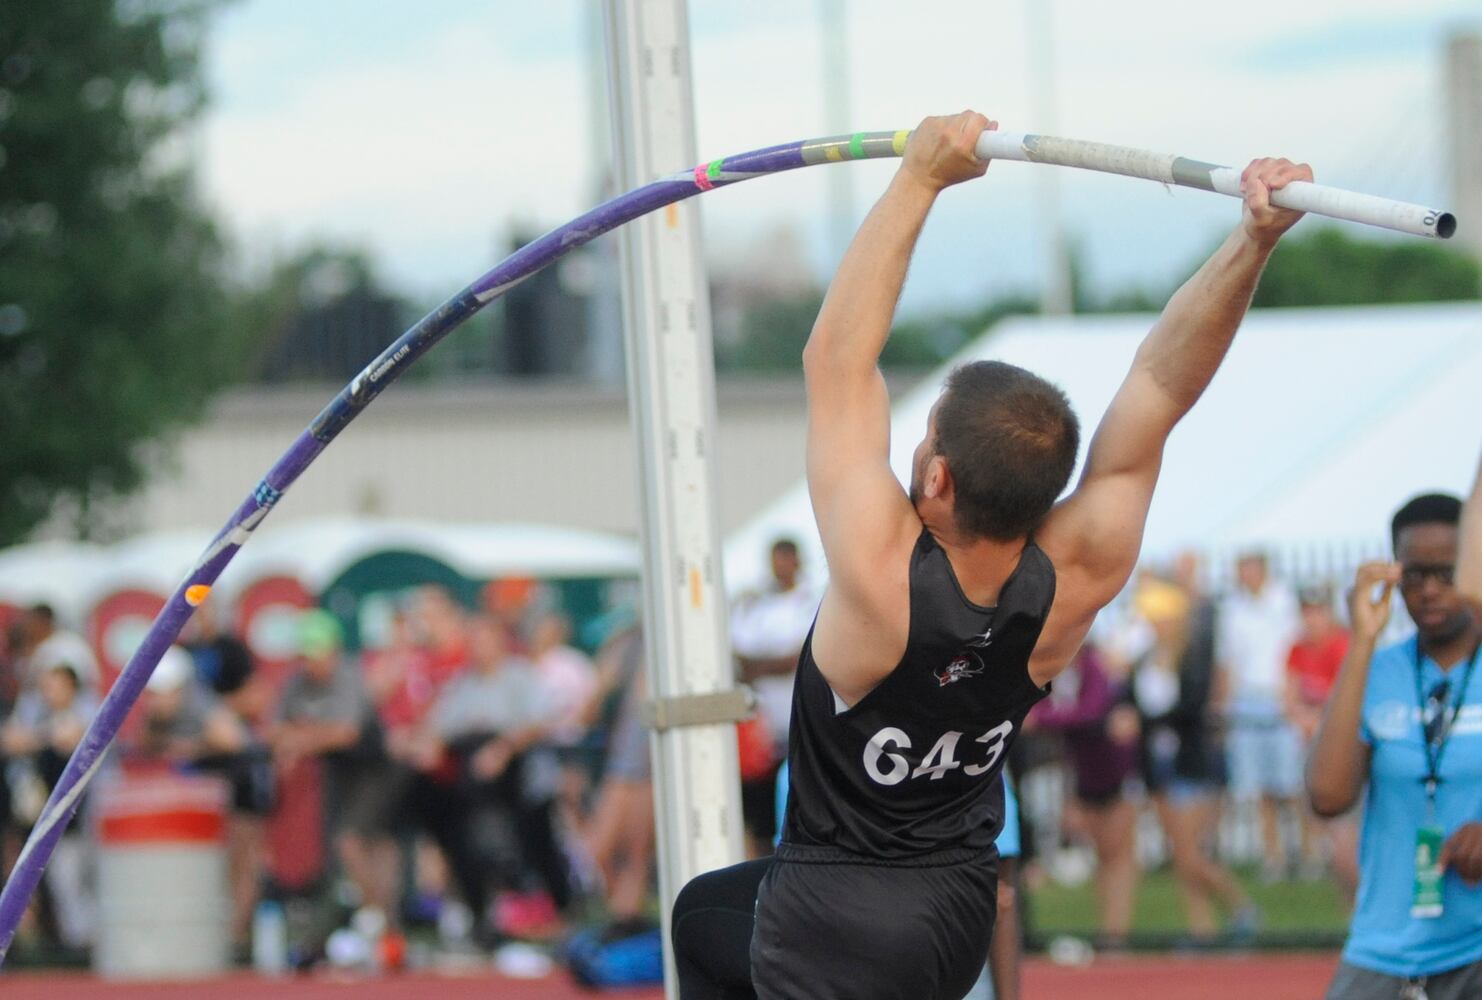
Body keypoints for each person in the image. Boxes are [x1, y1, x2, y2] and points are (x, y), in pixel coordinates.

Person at [670, 110, 1311, 999]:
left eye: (924, 435)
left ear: (935, 479)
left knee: (698, 919)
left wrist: (919, 180)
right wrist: (1254, 239)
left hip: (834, 915)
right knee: (712, 904)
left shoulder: (881, 572)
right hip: (958, 911)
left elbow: (837, 360)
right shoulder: (1076, 576)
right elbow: (1163, 386)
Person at [1309, 494, 1482, 999]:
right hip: (1385, 948)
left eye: (1447, 574)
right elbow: (1328, 796)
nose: (1429, 591)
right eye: (1414, 575)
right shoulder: (1378, 669)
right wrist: (1362, 639)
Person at [1127, 578, 1255, 943]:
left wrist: (1146, 721)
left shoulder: (1194, 655)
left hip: (1191, 761)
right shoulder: (1144, 659)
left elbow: (1191, 706)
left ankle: (1240, 907)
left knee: (1191, 853)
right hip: (1157, 765)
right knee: (1183, 856)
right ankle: (1202, 929)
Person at [1028, 641, 1140, 947]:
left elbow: (1091, 711)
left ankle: (1116, 932)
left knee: (1117, 855)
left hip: (1115, 770)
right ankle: (1109, 931)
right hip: (1085, 771)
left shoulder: (1094, 666)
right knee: (1103, 855)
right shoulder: (1055, 666)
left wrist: (1042, 720)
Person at [1217, 551, 1304, 880]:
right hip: (1246, 699)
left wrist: (1291, 696)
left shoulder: (1284, 601)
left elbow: (1296, 648)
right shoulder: (1232, 609)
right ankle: (1274, 856)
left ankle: (1307, 853)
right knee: (1259, 787)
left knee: (1291, 785)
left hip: (1280, 697)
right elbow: (1227, 659)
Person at [730, 538, 820, 856]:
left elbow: (800, 655)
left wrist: (760, 666)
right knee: (759, 816)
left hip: (800, 723)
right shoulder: (755, 604)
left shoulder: (812, 601)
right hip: (762, 732)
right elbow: (737, 652)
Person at [1284, 583, 1357, 892]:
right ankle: (1316, 854)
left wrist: (1319, 721)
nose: (1312, 619)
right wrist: (1303, 719)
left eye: (1318, 612)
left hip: (1341, 744)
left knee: (1345, 829)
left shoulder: (1343, 644)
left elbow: (1345, 697)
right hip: (1310, 738)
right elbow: (1289, 694)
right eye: (1307, 612)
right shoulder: (1298, 649)